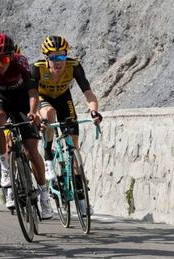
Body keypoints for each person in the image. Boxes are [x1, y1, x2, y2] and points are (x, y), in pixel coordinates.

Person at [0, 33, 53, 220]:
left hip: (21, 100)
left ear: (11, 56)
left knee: (31, 151)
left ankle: (44, 194)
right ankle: (4, 166)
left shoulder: (21, 62)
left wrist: (33, 112)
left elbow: (33, 92)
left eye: (4, 59)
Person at [32, 35, 102, 214]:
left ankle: (82, 200)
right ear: (46, 58)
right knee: (49, 114)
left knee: (74, 150)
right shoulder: (37, 69)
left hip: (64, 98)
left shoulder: (74, 66)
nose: (58, 62)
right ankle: (48, 156)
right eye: (53, 57)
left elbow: (88, 92)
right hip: (43, 99)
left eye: (61, 56)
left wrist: (94, 111)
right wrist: (37, 118)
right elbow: (30, 97)